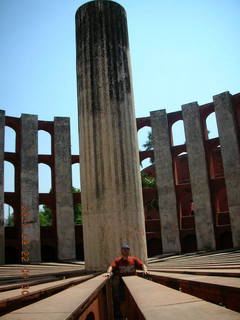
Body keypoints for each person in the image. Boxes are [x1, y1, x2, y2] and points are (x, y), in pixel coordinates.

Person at [105, 245, 148, 319]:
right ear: (121, 251)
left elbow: (142, 265)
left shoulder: (133, 259)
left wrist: (145, 270)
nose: (125, 251)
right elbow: (111, 266)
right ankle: (124, 316)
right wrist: (108, 272)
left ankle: (135, 315)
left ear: (129, 251)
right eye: (124, 249)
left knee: (136, 299)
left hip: (134, 282)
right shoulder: (118, 260)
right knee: (122, 300)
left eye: (127, 249)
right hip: (122, 283)